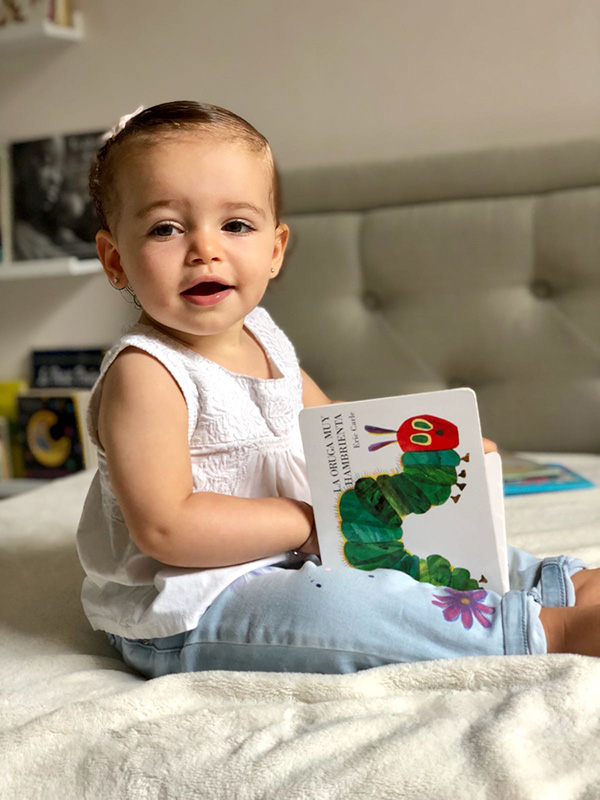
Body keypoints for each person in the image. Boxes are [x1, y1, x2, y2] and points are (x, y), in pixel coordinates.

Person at [76, 101, 600, 679]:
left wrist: (438, 456)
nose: (206, 248)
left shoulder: (265, 338)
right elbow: (166, 526)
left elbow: (333, 434)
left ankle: (556, 582)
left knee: (427, 545)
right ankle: (542, 631)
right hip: (193, 603)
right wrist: (306, 522)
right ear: (115, 259)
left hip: (298, 552)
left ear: (275, 251)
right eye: (166, 229)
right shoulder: (146, 373)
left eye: (236, 225)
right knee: (344, 606)